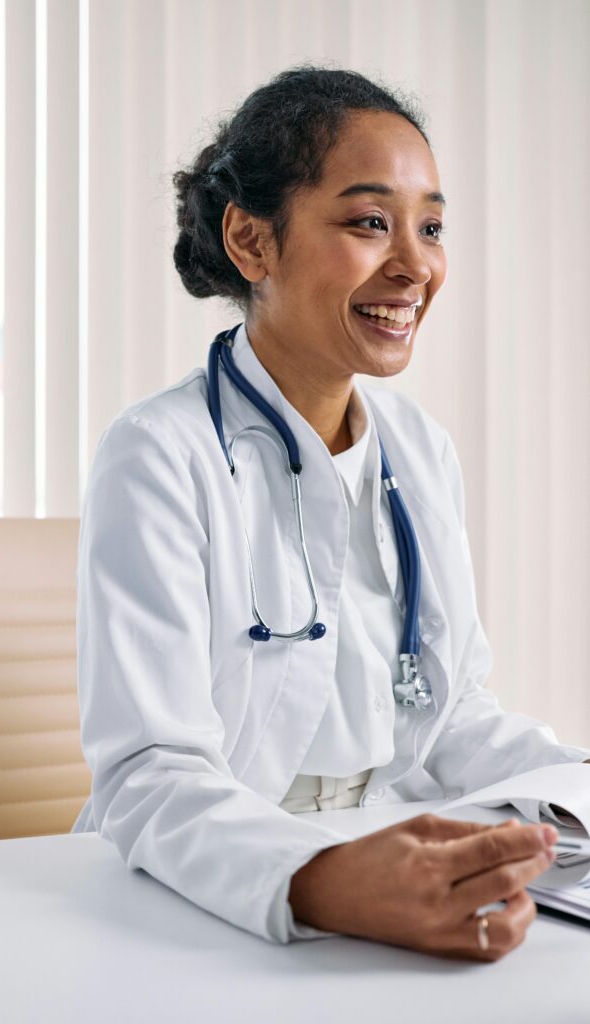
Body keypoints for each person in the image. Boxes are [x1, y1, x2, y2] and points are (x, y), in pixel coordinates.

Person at [71, 65, 590, 960]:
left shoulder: (417, 451)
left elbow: (449, 711)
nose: (415, 265)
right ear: (251, 241)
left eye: (429, 226)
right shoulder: (160, 454)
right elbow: (150, 776)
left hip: (386, 855)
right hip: (204, 887)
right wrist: (319, 882)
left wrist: (571, 791)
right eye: (368, 222)